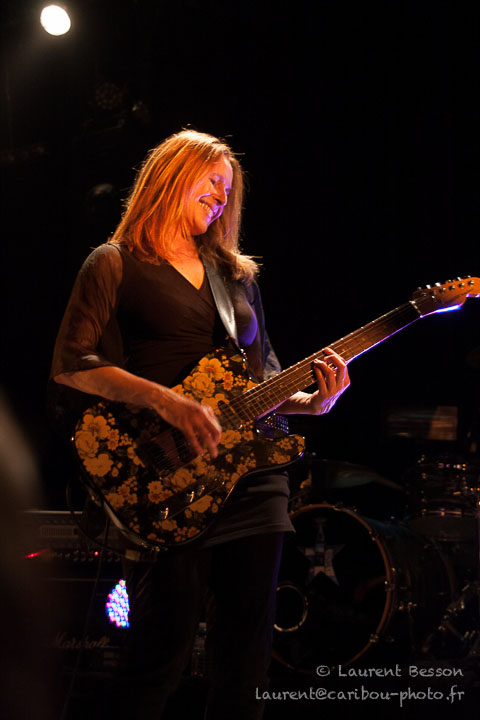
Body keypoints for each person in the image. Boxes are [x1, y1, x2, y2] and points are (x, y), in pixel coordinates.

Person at [49, 129, 350, 719]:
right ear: (171, 176)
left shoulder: (236, 276)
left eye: (228, 191)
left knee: (247, 663)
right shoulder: (114, 262)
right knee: (160, 657)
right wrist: (168, 403)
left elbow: (261, 383)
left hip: (253, 481)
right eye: (212, 182)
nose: (221, 197)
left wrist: (311, 403)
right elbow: (71, 364)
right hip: (165, 473)